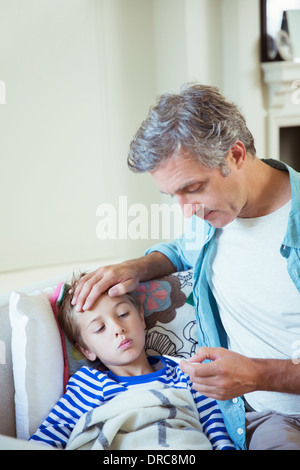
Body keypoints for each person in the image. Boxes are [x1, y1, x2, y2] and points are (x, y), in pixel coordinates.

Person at [71, 84, 300, 450]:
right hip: (247, 418)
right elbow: (181, 250)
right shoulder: (212, 215)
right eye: (172, 196)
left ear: (236, 155)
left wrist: (258, 374)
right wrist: (139, 266)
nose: (186, 210)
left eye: (193, 187)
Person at [29, 277, 235, 450]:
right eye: (100, 328)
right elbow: (51, 434)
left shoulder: (185, 371)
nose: (118, 328)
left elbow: (215, 428)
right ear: (87, 350)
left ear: (142, 319)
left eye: (123, 315)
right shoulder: (89, 383)